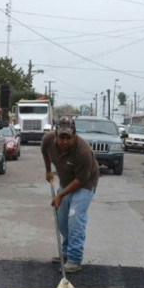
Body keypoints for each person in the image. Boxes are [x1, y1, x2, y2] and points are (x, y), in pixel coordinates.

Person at [41, 116, 100, 273]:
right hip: (66, 182)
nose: (65, 142)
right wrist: (48, 170)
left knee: (75, 218)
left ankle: (74, 259)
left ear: (74, 134)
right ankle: (66, 252)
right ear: (56, 135)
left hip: (85, 184)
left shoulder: (83, 151)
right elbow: (44, 151)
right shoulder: (48, 140)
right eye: (62, 137)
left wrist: (60, 195)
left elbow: (81, 179)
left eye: (68, 138)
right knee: (61, 219)